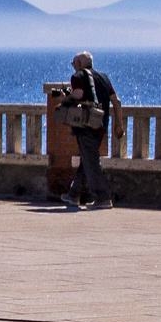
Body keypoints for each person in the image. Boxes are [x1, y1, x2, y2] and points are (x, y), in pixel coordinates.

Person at [56, 51, 118, 209]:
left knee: (92, 162)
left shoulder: (78, 77)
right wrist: (119, 124)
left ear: (78, 64)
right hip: (101, 124)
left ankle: (103, 197)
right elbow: (116, 101)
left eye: (73, 63)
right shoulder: (103, 77)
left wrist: (64, 98)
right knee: (87, 160)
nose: (73, 66)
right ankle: (74, 194)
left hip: (86, 126)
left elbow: (78, 95)